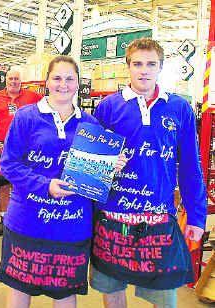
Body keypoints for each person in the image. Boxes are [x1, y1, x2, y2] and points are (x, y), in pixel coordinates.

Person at [0, 56, 126, 308]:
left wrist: (111, 166)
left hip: (72, 226)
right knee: (20, 289)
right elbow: (8, 165)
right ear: (47, 81)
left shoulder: (90, 125)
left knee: (65, 292)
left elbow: (94, 178)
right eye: (57, 78)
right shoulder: (26, 117)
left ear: (78, 84)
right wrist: (45, 185)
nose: (63, 84)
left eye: (69, 79)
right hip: (27, 223)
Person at [89, 38, 207, 308]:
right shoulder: (107, 108)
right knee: (113, 291)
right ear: (127, 67)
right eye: (137, 64)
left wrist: (197, 217)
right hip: (112, 219)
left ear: (160, 67)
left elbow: (190, 166)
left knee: (165, 299)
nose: (144, 70)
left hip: (158, 220)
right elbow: (92, 166)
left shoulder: (179, 108)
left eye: (151, 64)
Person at [0, 69, 43, 237]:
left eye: (17, 79)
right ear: (6, 80)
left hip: (26, 148)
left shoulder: (33, 97)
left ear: (21, 81)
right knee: (3, 185)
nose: (14, 81)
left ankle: (24, 220)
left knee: (24, 184)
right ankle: (4, 221)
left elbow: (48, 112)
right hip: (2, 147)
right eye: (11, 79)